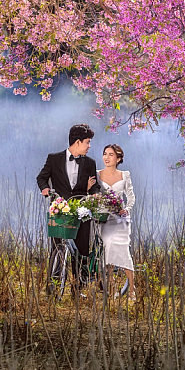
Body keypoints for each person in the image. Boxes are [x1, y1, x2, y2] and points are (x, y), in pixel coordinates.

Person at [37, 124, 99, 290]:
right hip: (60, 210)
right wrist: (45, 189)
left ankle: (78, 289)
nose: (89, 146)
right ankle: (54, 285)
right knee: (57, 247)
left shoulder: (90, 163)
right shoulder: (54, 158)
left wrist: (94, 195)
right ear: (78, 142)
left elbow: (95, 187)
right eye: (87, 142)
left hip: (81, 211)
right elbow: (42, 177)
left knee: (82, 249)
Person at [98, 144, 136, 300]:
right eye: (105, 154)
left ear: (118, 158)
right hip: (104, 218)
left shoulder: (124, 175)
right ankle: (113, 288)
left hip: (120, 219)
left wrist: (127, 209)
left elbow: (131, 197)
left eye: (111, 155)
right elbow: (92, 194)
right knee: (107, 249)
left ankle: (132, 289)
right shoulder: (97, 174)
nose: (106, 157)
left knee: (123, 251)